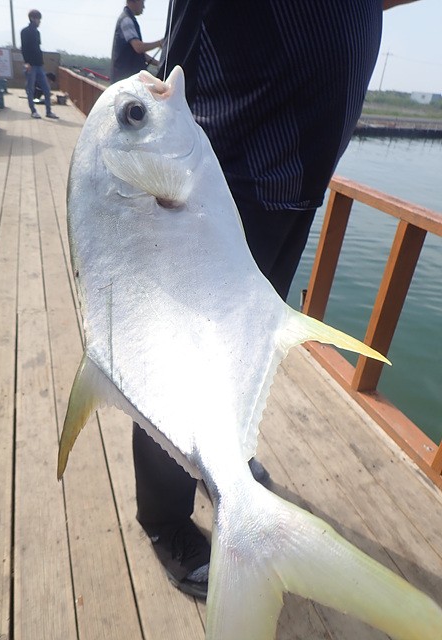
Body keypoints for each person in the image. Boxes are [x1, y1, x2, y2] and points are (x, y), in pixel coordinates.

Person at [132, 0, 422, 600]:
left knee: (246, 353)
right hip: (225, 172)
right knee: (182, 365)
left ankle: (221, 461)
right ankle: (163, 517)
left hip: (297, 179)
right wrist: (161, 140)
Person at [110, 0, 163, 83]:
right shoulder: (126, 20)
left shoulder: (128, 19)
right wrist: (159, 43)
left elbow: (140, 54)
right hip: (125, 81)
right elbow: (138, 47)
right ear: (134, 1)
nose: (143, 7)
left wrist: (159, 64)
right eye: (142, 2)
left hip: (126, 80)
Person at [20, 9, 58, 120]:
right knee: (30, 89)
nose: (39, 21)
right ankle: (33, 111)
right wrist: (27, 62)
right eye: (38, 19)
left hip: (39, 65)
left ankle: (48, 112)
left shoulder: (37, 32)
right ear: (32, 18)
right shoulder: (25, 31)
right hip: (30, 65)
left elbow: (37, 48)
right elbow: (24, 48)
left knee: (46, 89)